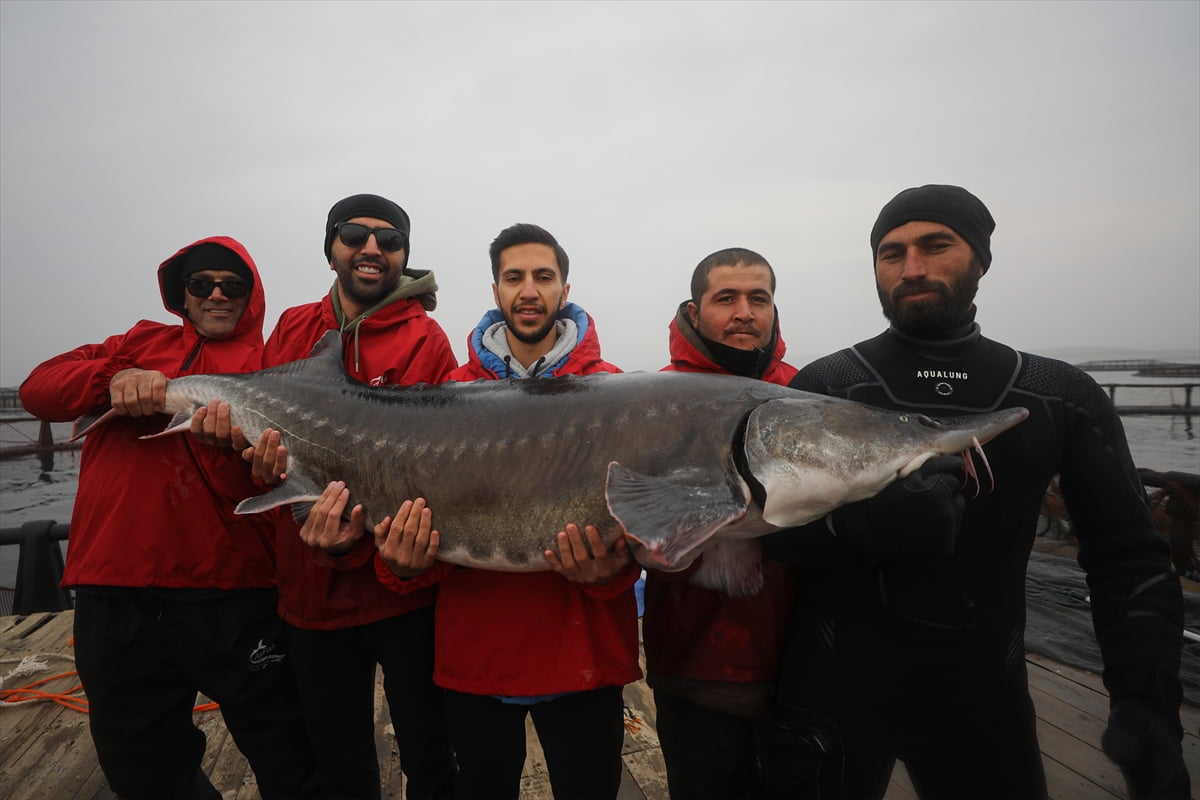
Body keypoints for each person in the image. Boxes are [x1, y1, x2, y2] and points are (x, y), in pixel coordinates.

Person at [763, 184, 1189, 799]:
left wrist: (1147, 702)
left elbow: (1129, 559)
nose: (912, 268)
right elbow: (768, 530)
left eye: (936, 245)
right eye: (891, 253)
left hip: (985, 705)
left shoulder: (1058, 394)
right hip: (829, 703)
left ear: (981, 258)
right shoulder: (827, 385)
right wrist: (862, 527)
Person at [305, 223, 642, 800]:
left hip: (585, 656)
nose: (529, 290)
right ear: (496, 291)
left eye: (543, 276)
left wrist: (613, 576)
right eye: (514, 278)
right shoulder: (444, 395)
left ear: (565, 288)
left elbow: (646, 533)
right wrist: (402, 566)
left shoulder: (618, 396)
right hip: (476, 661)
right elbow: (413, 535)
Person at [19, 237, 319, 799]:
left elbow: (278, 482)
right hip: (114, 583)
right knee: (139, 759)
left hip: (233, 588)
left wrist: (238, 453)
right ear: (180, 294)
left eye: (233, 285)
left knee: (290, 752)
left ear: (252, 295)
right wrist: (111, 379)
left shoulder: (268, 369)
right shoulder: (134, 342)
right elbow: (39, 390)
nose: (217, 295)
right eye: (201, 284)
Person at [243, 194, 459, 799]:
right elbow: (261, 456)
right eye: (355, 235)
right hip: (309, 589)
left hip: (402, 589)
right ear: (331, 247)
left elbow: (444, 469)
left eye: (390, 241)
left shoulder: (428, 339)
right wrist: (261, 467)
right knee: (338, 761)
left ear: (403, 257)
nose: (371, 249)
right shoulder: (292, 328)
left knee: (431, 755)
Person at [640, 247, 799, 799]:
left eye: (759, 298)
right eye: (725, 298)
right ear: (694, 308)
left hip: (805, 671)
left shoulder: (808, 392)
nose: (744, 312)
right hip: (693, 669)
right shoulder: (648, 402)